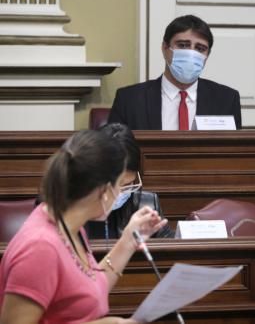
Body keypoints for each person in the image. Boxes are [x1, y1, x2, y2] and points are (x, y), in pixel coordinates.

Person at [0, 130, 167, 324]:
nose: (123, 193)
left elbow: (91, 287)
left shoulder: (69, 226)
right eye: (121, 184)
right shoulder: (39, 248)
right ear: (104, 191)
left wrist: (130, 239)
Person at [108, 14, 242, 130]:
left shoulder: (227, 99)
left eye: (200, 48)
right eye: (183, 45)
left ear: (207, 56)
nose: (191, 53)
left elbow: (233, 154)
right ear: (165, 48)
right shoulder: (129, 99)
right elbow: (115, 152)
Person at [85, 123, 174, 239]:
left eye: (127, 185)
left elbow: (169, 245)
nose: (119, 193)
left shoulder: (147, 204)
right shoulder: (74, 209)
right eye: (114, 185)